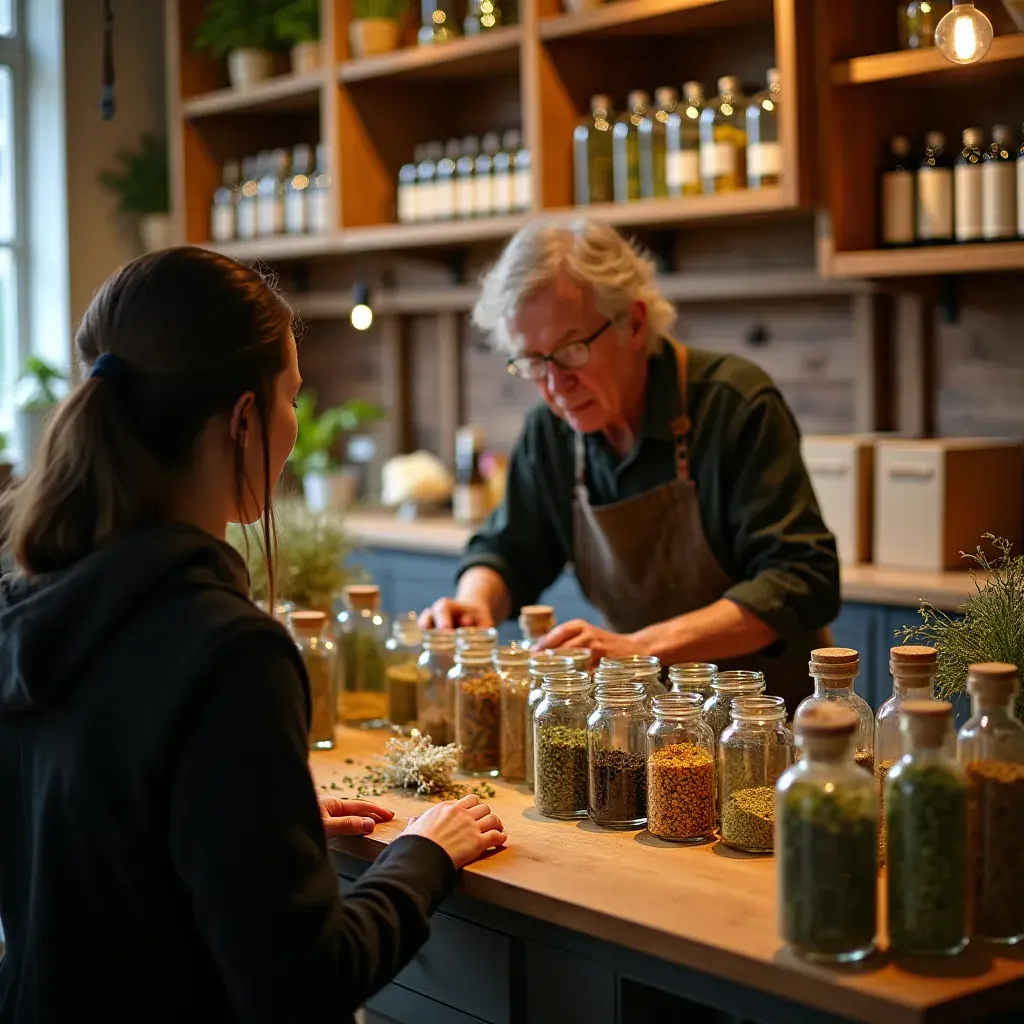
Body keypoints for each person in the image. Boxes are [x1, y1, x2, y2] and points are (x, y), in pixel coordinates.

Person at [0, 247, 505, 1022]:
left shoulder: (27, 603)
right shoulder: (229, 651)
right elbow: (304, 983)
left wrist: (258, 817)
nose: (294, 423)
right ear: (243, 420)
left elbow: (104, 845)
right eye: (291, 397)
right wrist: (422, 858)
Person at [422, 220, 840, 713]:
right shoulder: (553, 431)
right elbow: (510, 549)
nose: (555, 385)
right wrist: (476, 601)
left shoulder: (734, 404)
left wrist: (641, 647)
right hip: (645, 721)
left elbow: (801, 579)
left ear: (634, 323)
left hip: (766, 719)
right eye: (533, 362)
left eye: (571, 351)